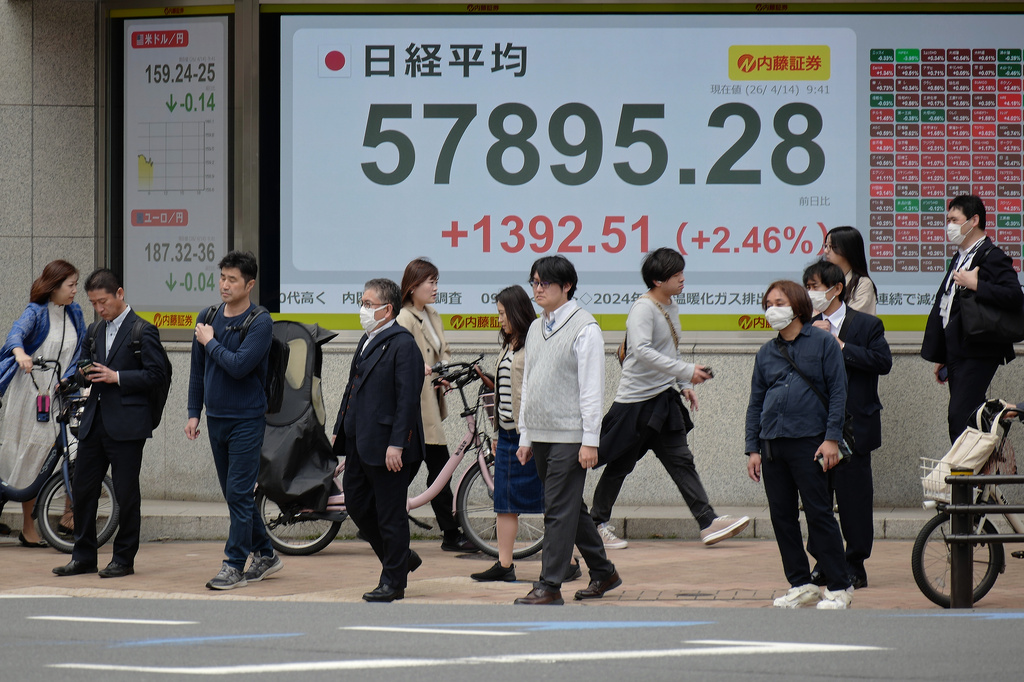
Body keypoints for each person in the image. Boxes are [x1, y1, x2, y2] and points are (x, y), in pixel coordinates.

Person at [592, 248, 749, 550]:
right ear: (657, 280)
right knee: (619, 465)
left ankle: (707, 521)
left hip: (663, 401)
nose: (682, 279)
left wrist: (682, 383)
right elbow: (641, 351)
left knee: (681, 461)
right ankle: (595, 524)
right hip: (635, 404)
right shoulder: (643, 308)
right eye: (676, 275)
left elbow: (670, 351)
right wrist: (687, 370)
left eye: (681, 273)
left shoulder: (671, 305)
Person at [514, 255, 620, 605]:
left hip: (571, 437)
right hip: (541, 434)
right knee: (570, 508)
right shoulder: (535, 327)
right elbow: (529, 383)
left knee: (556, 510)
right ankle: (604, 572)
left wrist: (590, 441)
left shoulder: (585, 328)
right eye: (534, 282)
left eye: (545, 283)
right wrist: (525, 435)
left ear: (567, 286)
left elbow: (592, 390)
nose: (538, 289)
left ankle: (549, 585)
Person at [745, 280, 854, 609]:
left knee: (819, 513)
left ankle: (839, 586)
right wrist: (752, 448)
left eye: (778, 302)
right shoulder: (766, 352)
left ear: (796, 306)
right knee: (782, 516)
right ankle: (800, 583)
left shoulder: (822, 343)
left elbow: (838, 393)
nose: (772, 309)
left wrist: (831, 438)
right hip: (772, 443)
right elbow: (755, 403)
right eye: (767, 304)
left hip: (811, 441)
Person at [52, 269, 168, 578]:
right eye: (93, 303)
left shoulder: (142, 330)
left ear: (120, 294)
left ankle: (123, 559)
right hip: (94, 422)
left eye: (103, 301)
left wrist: (117, 377)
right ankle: (84, 556)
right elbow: (83, 367)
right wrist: (80, 373)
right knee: (84, 489)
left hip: (128, 425)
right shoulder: (94, 330)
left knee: (127, 493)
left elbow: (158, 374)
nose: (100, 309)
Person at [185, 251, 281, 590]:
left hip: (247, 419)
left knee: (239, 494)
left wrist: (210, 341)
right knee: (234, 494)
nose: (224, 285)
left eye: (232, 279)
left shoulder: (260, 321)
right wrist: (193, 412)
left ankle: (233, 564)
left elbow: (240, 366)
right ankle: (267, 554)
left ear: (249, 284)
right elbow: (198, 370)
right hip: (217, 419)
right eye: (222, 277)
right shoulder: (208, 315)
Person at [333, 278, 425, 602]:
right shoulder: (366, 340)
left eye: (369, 304)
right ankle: (400, 558)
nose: (363, 310)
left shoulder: (403, 344)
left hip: (389, 447)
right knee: (357, 505)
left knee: (390, 515)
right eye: (362, 303)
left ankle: (393, 582)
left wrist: (397, 444)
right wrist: (338, 429)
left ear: (388, 309)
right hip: (360, 441)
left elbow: (407, 400)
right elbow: (351, 388)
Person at [802, 261, 892, 590]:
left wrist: (839, 346)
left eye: (815, 286)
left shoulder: (866, 325)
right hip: (814, 428)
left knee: (854, 499)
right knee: (817, 499)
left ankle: (855, 563)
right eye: (807, 286)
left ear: (836, 288)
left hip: (855, 425)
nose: (810, 293)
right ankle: (825, 561)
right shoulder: (804, 326)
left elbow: (883, 362)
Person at [922, 195, 1024, 444]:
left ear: (974, 220)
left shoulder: (991, 255)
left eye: (954, 220)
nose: (949, 226)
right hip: (958, 350)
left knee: (959, 416)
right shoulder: (961, 256)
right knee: (969, 415)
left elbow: (1014, 295)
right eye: (947, 220)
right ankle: (977, 478)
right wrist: (942, 352)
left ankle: (965, 478)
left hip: (978, 349)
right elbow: (947, 305)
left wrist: (977, 284)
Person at [0, 260, 85, 547]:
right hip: (30, 394)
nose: (75, 291)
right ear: (54, 286)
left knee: (65, 453)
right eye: (70, 285)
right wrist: (20, 352)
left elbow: (80, 349)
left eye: (76, 285)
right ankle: (28, 526)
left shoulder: (74, 312)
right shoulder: (35, 311)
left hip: (59, 395)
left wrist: (71, 377)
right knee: (31, 459)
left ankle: (68, 516)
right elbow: (16, 334)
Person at [395, 258, 475, 552]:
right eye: (431, 282)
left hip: (430, 402)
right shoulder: (404, 319)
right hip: (415, 405)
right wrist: (429, 371)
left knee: (430, 466)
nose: (435, 288)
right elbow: (406, 363)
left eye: (436, 281)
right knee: (436, 465)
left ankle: (384, 516)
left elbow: (442, 352)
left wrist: (444, 373)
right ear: (413, 285)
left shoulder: (431, 314)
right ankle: (451, 534)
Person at [470, 285, 544, 582]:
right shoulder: (509, 344)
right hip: (507, 436)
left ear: (515, 311)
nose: (499, 319)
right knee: (504, 502)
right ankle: (504, 565)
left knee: (551, 502)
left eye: (502, 313)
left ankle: (570, 558)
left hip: (531, 437)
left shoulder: (534, 343)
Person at [824, 226, 877, 315]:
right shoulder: (825, 280)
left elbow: (851, 318)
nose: (826, 251)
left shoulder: (863, 284)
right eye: (825, 246)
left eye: (831, 246)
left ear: (847, 249)